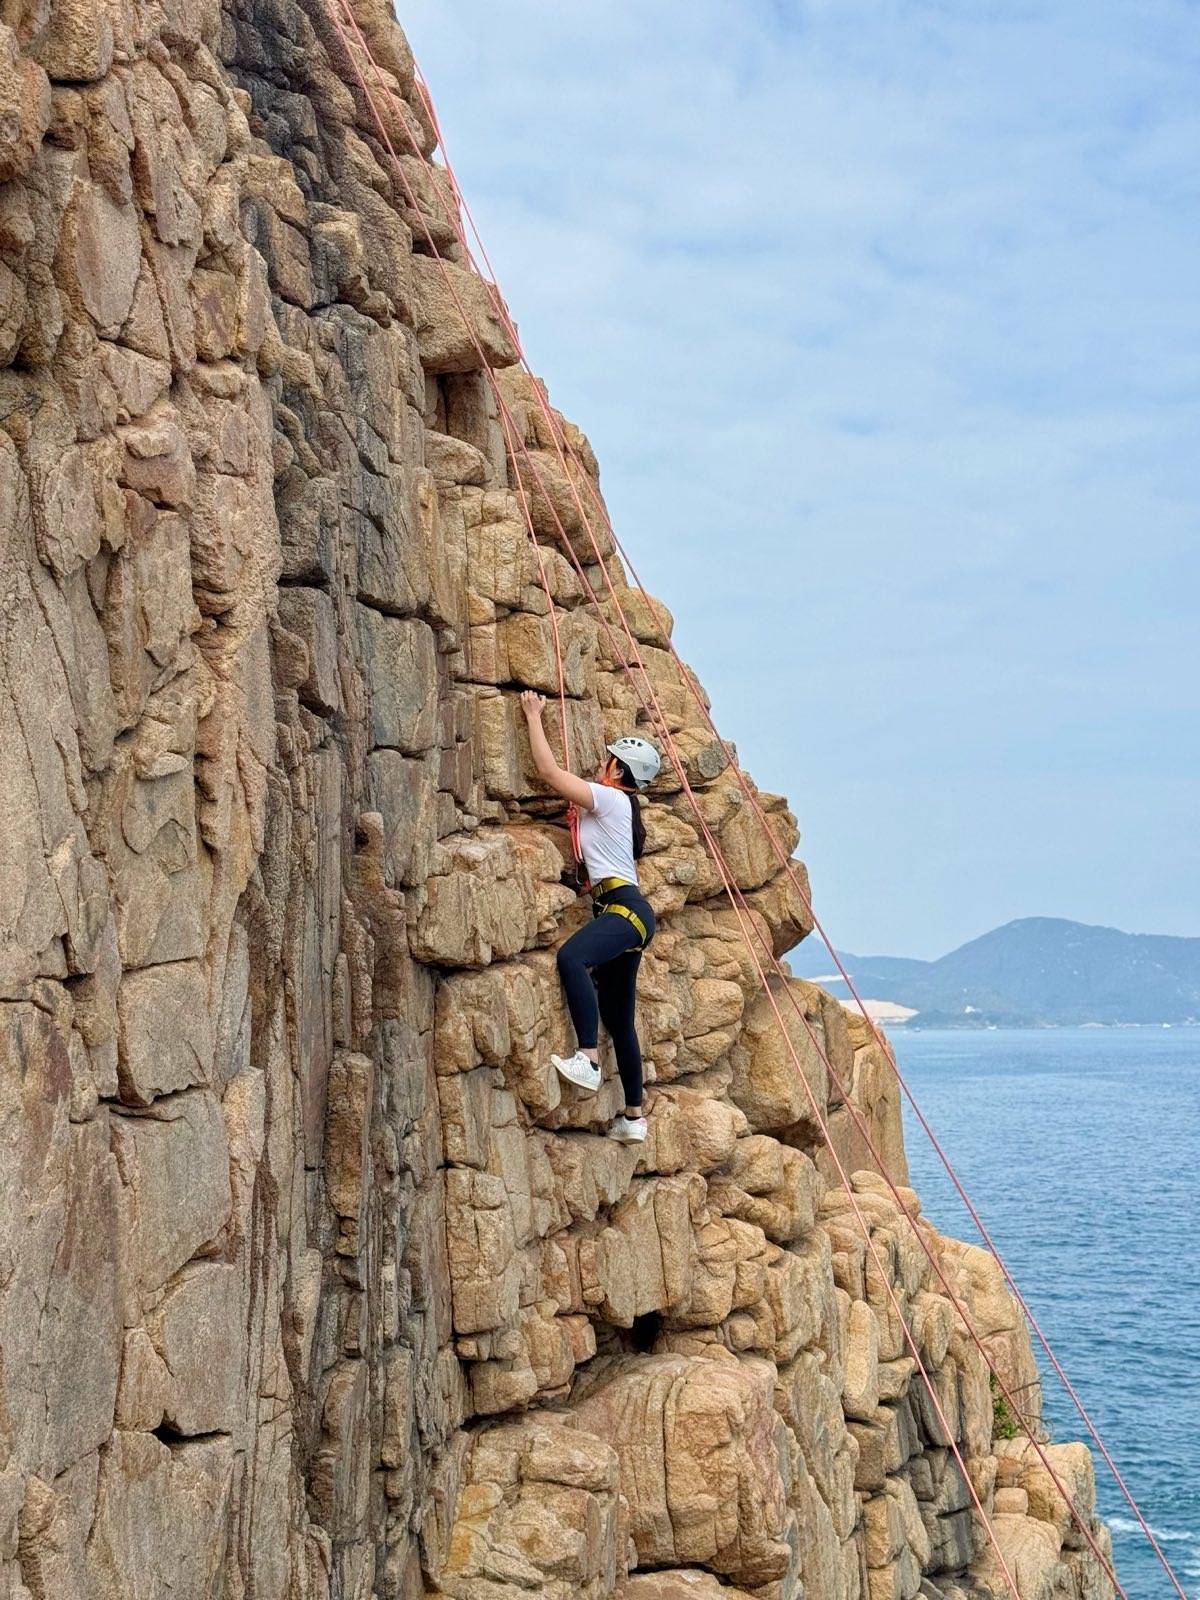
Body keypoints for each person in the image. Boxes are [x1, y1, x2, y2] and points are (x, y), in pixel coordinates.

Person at [520, 690, 661, 1143]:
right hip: (630, 912)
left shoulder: (612, 799)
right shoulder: (620, 809)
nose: (602, 765)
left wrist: (532, 715)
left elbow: (548, 773)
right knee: (618, 1018)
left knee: (571, 957)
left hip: (623, 910)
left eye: (607, 760)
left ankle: (588, 1058)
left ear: (618, 770)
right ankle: (633, 1118)